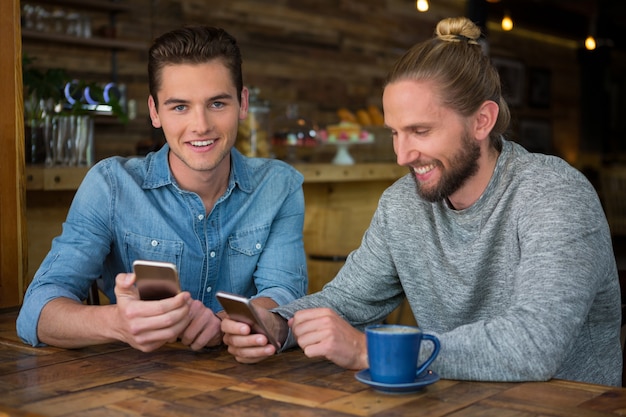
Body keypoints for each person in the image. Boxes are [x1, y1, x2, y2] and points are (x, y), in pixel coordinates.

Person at [222, 17, 622, 387]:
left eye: (420, 131)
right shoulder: (403, 205)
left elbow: (534, 345)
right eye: (395, 132)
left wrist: (367, 351)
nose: (402, 155)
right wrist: (275, 325)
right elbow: (347, 302)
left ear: (482, 121)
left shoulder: (554, 194)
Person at [17, 26, 308, 352]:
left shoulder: (279, 186)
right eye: (179, 107)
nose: (201, 125)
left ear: (242, 103)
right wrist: (116, 322)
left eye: (216, 104)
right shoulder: (111, 185)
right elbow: (36, 311)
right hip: (129, 388)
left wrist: (232, 323)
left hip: (249, 386)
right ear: (155, 111)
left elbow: (284, 295)